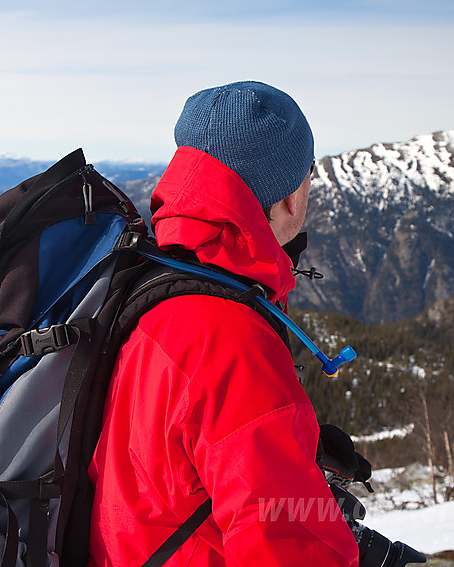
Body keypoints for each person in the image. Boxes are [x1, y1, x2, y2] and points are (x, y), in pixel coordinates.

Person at [87, 81, 360, 566]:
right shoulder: (230, 339)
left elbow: (170, 466)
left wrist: (295, 464)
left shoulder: (149, 281)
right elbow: (294, 552)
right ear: (292, 195)